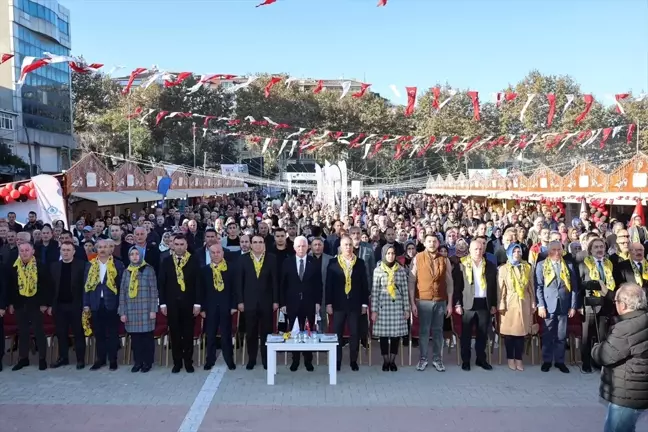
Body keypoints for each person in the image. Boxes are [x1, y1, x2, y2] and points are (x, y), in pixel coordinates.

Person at [591, 283, 648, 432]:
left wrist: (595, 348)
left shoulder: (625, 328)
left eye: (616, 302)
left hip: (628, 393)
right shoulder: (643, 318)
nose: (615, 305)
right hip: (640, 389)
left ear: (622, 304)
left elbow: (605, 356)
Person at [408, 234, 453, 372]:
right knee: (424, 331)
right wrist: (412, 303)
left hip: (440, 301)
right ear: (424, 243)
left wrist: (450, 303)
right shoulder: (418, 258)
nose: (432, 243)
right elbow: (411, 281)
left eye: (434, 241)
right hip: (423, 301)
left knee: (438, 331)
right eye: (429, 241)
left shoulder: (445, 260)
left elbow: (449, 282)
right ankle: (423, 359)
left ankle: (437, 359)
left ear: (438, 243)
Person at [158, 234, 201, 373]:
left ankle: (188, 362)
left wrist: (197, 303)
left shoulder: (194, 260)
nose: (179, 247)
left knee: (188, 334)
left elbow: (198, 284)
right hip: (172, 304)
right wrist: (163, 304)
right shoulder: (166, 261)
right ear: (172, 245)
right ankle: (177, 362)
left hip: (189, 303)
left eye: (182, 244)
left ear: (186, 245)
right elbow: (162, 284)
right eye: (177, 244)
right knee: (175, 333)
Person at [326, 235, 369, 371]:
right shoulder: (333, 262)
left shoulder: (360, 263)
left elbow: (364, 285)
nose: (348, 247)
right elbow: (328, 285)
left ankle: (353, 360)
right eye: (345, 245)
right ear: (340, 247)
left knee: (354, 333)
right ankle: (337, 361)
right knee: (337, 333)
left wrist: (364, 304)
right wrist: (328, 303)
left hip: (355, 304)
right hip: (338, 304)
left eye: (350, 245)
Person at [535, 240, 579, 373]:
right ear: (548, 252)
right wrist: (540, 305)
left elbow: (574, 287)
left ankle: (560, 361)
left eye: (559, 250)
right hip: (548, 305)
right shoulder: (541, 265)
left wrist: (573, 306)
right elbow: (538, 287)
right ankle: (547, 361)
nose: (556, 252)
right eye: (553, 250)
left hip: (564, 304)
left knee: (561, 335)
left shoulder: (569, 265)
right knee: (548, 334)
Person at [236, 234, 279, 370]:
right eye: (254, 242)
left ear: (264, 244)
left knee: (267, 332)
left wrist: (276, 301)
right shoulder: (243, 260)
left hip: (267, 303)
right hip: (249, 303)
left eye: (260, 242)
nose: (257, 244)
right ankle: (252, 359)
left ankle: (266, 359)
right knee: (251, 333)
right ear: (250, 244)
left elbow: (275, 282)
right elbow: (239, 283)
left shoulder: (272, 259)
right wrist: (240, 301)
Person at [454, 239, 498, 371]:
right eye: (475, 249)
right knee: (466, 334)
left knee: (482, 334)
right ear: (470, 251)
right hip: (468, 303)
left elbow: (493, 287)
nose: (478, 251)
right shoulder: (462, 265)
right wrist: (457, 304)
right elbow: (457, 288)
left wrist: (493, 304)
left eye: (480, 249)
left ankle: (481, 359)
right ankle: (466, 360)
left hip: (484, 303)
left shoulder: (489, 265)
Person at [280, 236, 322, 372]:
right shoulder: (287, 262)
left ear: (308, 247)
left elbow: (318, 285)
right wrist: (283, 303)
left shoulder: (313, 262)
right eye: (298, 246)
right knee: (294, 332)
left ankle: (308, 361)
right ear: (294, 248)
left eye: (304, 246)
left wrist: (317, 302)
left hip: (309, 304)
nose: (301, 248)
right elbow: (283, 285)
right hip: (292, 304)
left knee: (308, 332)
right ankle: (295, 360)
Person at [7, 242, 50, 371]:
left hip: (36, 304)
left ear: (33, 251)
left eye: (27, 250)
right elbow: (11, 287)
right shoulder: (14, 267)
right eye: (22, 251)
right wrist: (11, 303)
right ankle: (23, 358)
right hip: (20, 304)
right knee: (23, 332)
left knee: (38, 331)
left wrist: (44, 303)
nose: (24, 253)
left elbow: (47, 287)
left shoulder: (40, 266)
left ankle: (42, 359)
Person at [84, 239, 125, 371]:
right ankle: (100, 359)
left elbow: (122, 288)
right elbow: (85, 286)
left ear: (110, 249)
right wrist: (86, 304)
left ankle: (113, 360)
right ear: (96, 249)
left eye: (105, 247)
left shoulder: (118, 265)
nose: (102, 250)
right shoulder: (90, 265)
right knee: (99, 333)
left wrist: (121, 305)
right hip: (95, 303)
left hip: (112, 303)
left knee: (112, 333)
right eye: (99, 247)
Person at [578, 237, 616, 373]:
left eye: (602, 247)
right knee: (587, 336)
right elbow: (578, 286)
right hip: (589, 304)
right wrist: (579, 305)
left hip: (605, 304)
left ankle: (598, 361)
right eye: (596, 247)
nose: (599, 249)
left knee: (602, 335)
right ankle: (586, 362)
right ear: (590, 250)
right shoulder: (583, 264)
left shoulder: (609, 264)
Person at [119, 246, 158, 373]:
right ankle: (138, 362)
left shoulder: (148, 269)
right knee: (135, 339)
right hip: (131, 310)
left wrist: (153, 309)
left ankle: (148, 362)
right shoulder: (126, 272)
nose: (135, 256)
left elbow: (154, 291)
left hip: (146, 309)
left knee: (146, 338)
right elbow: (122, 293)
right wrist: (122, 312)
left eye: (137, 254)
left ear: (141, 255)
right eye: (132, 254)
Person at [371, 244, 410, 372]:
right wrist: (374, 310)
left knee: (395, 336)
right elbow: (375, 291)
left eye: (393, 253)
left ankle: (392, 361)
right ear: (384, 254)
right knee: (383, 335)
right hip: (383, 307)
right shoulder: (378, 270)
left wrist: (406, 309)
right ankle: (385, 360)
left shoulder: (401, 270)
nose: (391, 256)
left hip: (397, 306)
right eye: (388, 253)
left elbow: (405, 290)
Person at [497, 243, 535, 371]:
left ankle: (519, 359)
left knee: (521, 333)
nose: (517, 254)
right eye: (514, 252)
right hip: (509, 302)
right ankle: (510, 358)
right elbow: (501, 288)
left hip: (524, 301)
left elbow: (531, 287)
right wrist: (501, 304)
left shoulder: (527, 267)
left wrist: (533, 302)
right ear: (509, 253)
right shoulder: (503, 269)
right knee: (509, 333)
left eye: (519, 252)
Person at [50, 241, 87, 369]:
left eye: (68, 250)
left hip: (76, 305)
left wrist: (85, 305)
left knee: (78, 333)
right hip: (59, 305)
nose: (65, 252)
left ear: (74, 252)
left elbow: (85, 287)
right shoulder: (54, 266)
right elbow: (51, 288)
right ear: (60, 251)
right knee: (61, 333)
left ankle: (80, 359)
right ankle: (63, 358)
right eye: (63, 250)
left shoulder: (82, 265)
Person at [200, 243, 237, 371]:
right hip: (210, 308)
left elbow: (235, 289)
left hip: (226, 307)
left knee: (226, 335)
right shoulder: (205, 270)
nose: (216, 255)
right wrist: (203, 308)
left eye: (218, 252)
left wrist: (233, 306)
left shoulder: (231, 269)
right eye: (213, 253)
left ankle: (229, 360)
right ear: (209, 254)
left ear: (222, 253)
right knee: (210, 335)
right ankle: (210, 360)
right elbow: (201, 291)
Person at [309, 237, 332, 331]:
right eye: (315, 245)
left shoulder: (330, 259)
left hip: (326, 293)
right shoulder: (306, 258)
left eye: (319, 244)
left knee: (324, 319)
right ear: (311, 246)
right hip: (310, 293)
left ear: (323, 246)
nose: (317, 247)